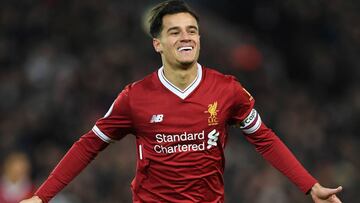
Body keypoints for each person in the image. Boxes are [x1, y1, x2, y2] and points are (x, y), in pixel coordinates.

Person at [20, 0, 343, 202]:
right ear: (158, 44)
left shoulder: (227, 90)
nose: (186, 36)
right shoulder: (135, 97)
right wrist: (42, 197)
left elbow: (264, 139)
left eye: (192, 30)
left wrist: (309, 185)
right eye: (175, 32)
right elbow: (89, 144)